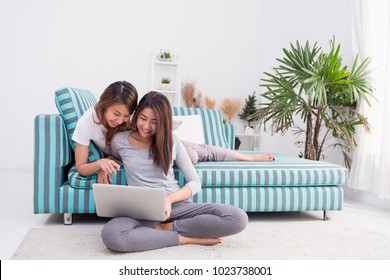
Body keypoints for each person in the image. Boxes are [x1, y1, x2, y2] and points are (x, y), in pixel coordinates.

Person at [101, 91, 248, 252]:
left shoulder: (173, 142)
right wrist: (104, 163)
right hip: (140, 211)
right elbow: (112, 156)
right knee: (112, 235)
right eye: (143, 118)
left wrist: (169, 199)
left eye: (154, 122)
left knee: (237, 218)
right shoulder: (120, 140)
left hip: (177, 206)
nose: (147, 126)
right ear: (136, 116)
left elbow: (195, 181)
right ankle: (183, 239)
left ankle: (167, 228)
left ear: (163, 122)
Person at [72, 80, 138, 184]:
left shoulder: (133, 118)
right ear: (105, 105)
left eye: (126, 116)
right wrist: (100, 164)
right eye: (116, 114)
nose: (120, 121)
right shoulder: (85, 123)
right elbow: (81, 167)